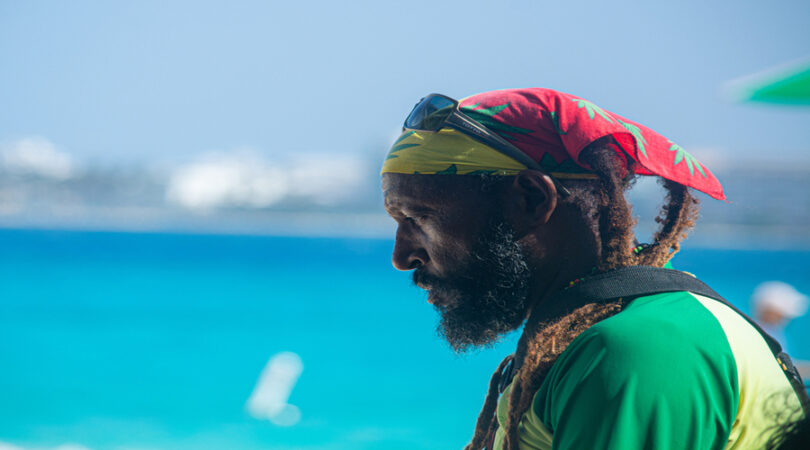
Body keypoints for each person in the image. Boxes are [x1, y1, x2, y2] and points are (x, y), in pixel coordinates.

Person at [380, 89, 808, 449]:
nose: (402, 257)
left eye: (417, 218)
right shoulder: (593, 333)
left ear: (529, 200)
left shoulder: (638, 348)